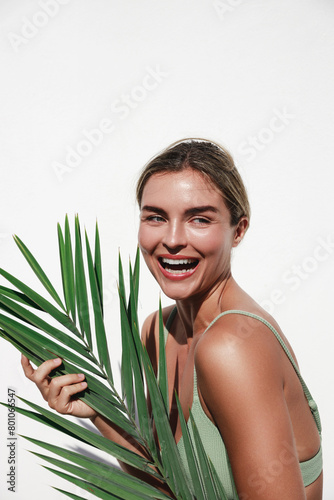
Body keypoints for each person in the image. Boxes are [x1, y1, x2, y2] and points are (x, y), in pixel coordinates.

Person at [21, 139, 323, 499]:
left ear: (238, 230)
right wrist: (94, 409)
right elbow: (166, 479)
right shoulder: (157, 331)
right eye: (156, 217)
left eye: (199, 219)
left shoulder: (233, 346)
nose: (173, 239)